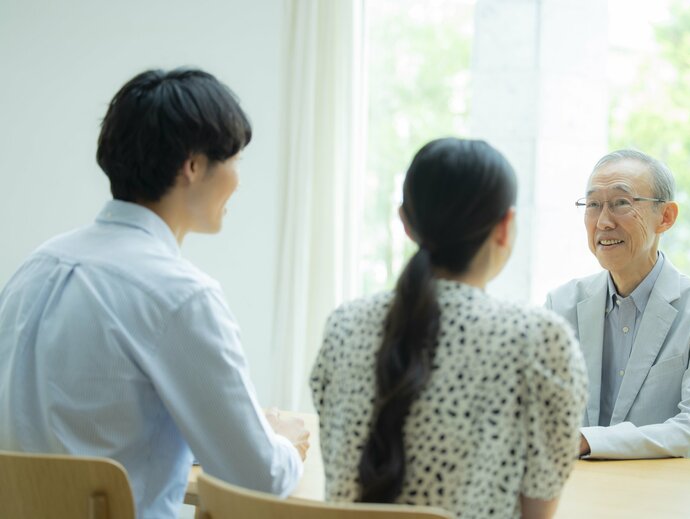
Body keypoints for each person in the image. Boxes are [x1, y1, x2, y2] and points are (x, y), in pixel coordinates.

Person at [0, 68, 309, 518]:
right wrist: (284, 443)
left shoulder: (35, 268)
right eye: (235, 160)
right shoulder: (181, 295)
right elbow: (259, 478)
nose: (239, 180)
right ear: (193, 165)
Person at [310, 138, 587, 519]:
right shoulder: (538, 339)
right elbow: (539, 507)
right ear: (505, 227)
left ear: (406, 223)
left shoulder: (344, 325)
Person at [545, 149, 690, 460]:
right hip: (582, 483)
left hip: (671, 487)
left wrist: (589, 441)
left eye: (621, 203)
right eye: (593, 205)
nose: (603, 222)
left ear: (666, 217)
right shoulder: (560, 305)